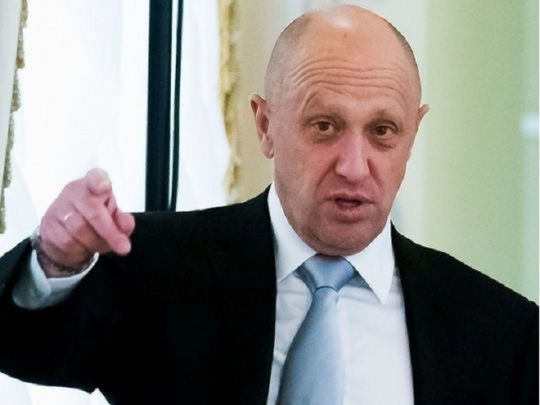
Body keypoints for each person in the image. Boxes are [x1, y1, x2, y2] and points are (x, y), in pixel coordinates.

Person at [0, 4, 537, 405]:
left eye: (382, 131)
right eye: (324, 126)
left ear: (413, 134)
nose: (354, 166)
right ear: (265, 125)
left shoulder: (500, 332)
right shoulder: (154, 269)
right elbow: (20, 345)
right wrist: (56, 261)